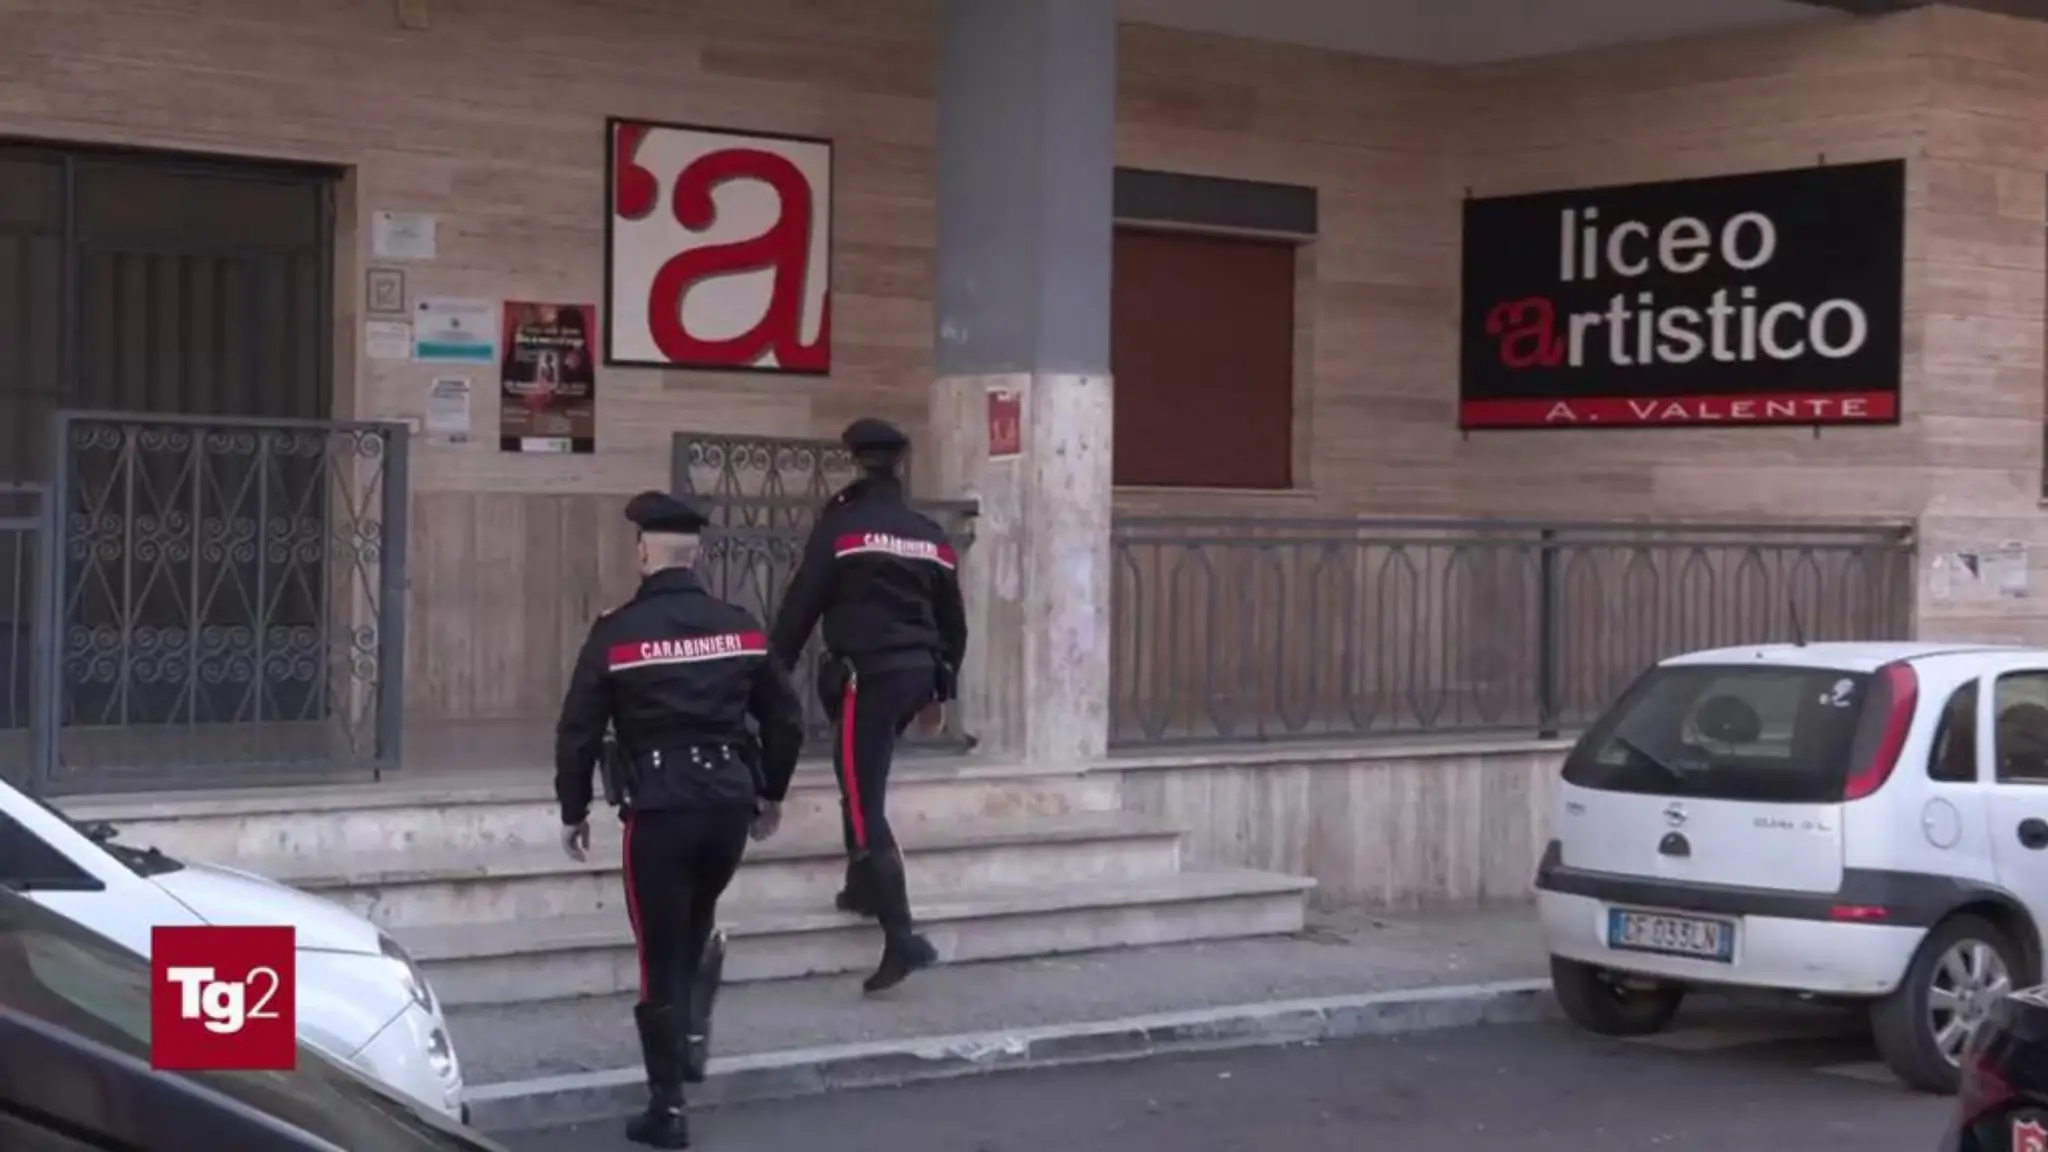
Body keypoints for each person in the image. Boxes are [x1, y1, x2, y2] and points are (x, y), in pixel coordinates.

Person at [555, 490, 806, 1149]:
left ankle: (667, 1107)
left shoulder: (617, 632)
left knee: (658, 955)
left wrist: (573, 808)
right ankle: (690, 1028)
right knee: (694, 919)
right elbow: (786, 718)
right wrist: (771, 792)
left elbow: (579, 728)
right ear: (694, 556)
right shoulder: (740, 625)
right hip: (727, 804)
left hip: (661, 809)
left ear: (644, 551)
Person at [770, 417, 969, 994]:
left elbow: (802, 604)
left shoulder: (842, 526)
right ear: (899, 467)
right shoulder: (930, 535)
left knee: (862, 801)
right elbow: (954, 623)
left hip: (869, 677)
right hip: (916, 674)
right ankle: (861, 886)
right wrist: (941, 690)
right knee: (858, 771)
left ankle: (902, 937)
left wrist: (771, 673)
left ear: (856, 463)